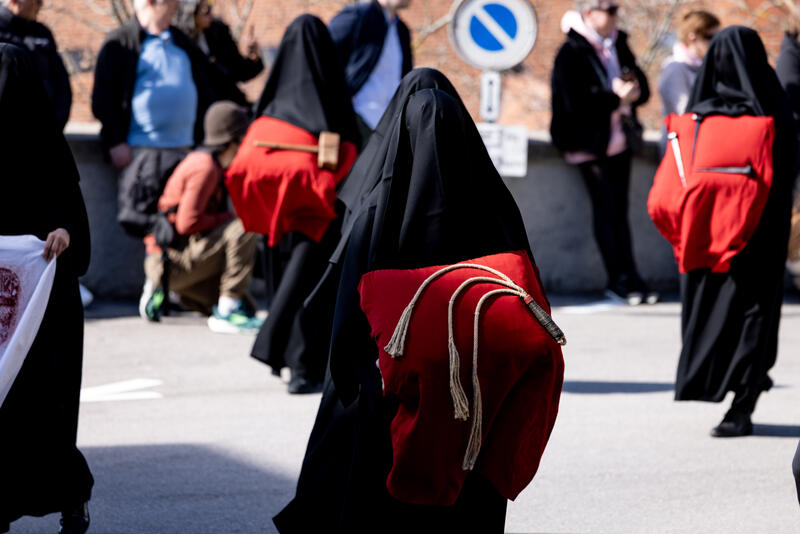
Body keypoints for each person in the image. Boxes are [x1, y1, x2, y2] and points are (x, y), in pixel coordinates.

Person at [273, 79, 545, 534]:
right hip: (477, 388)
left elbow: (348, 322)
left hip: (394, 389)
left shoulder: (379, 213)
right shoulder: (494, 205)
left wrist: (348, 380)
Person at [673, 26, 798, 437]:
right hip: (761, 237)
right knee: (755, 314)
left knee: (711, 310)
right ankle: (743, 400)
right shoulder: (775, 110)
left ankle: (727, 390)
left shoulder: (698, 114)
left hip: (708, 239)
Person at [225, 15, 359, 394]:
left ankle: (285, 358)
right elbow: (352, 149)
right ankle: (306, 366)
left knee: (286, 278)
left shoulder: (271, 104)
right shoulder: (331, 98)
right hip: (320, 210)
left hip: (277, 215)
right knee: (314, 283)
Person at [0, 43, 93, 534]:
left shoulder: (47, 150)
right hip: (4, 307)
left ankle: (71, 498)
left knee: (48, 406)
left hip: (46, 303)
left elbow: (75, 219)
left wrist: (64, 233)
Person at [551, 1, 655, 305]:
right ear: (589, 13)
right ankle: (617, 279)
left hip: (619, 141)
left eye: (615, 9)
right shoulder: (571, 51)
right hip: (588, 144)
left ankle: (631, 277)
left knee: (619, 212)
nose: (614, 15)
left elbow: (643, 89)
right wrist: (615, 98)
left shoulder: (618, 44)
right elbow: (573, 101)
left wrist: (633, 91)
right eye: (608, 10)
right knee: (605, 210)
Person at [91, 0, 215, 236]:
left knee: (180, 224)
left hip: (185, 150)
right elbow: (103, 99)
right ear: (151, 2)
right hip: (141, 153)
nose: (177, 6)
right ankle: (152, 262)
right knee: (145, 223)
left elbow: (209, 85)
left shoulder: (181, 40)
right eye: (172, 1)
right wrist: (115, 141)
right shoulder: (120, 42)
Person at [138, 100, 262, 333]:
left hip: (175, 258)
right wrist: (226, 218)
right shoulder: (204, 167)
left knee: (248, 309)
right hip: (170, 262)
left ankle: (169, 293)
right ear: (231, 141)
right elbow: (187, 223)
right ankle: (226, 313)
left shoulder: (206, 161)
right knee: (245, 227)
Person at [329, 0, 413, 140]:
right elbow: (323, 57)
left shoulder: (401, 30)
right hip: (358, 118)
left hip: (389, 126)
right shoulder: (358, 15)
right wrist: (341, 98)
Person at [173, 0, 263, 106]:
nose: (211, 13)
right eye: (206, 10)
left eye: (210, 8)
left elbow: (239, 70)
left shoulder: (219, 34)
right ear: (191, 14)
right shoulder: (178, 44)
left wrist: (253, 57)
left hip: (227, 103)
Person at [0, 0, 71, 130]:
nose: (40, 5)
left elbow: (61, 81)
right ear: (14, 1)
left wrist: (57, 121)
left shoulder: (42, 32)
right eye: (36, 1)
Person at [657, 10, 719, 154]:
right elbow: (684, 111)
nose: (714, 43)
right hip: (680, 146)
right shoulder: (675, 68)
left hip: (700, 143)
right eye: (710, 37)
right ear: (692, 37)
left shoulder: (706, 66)